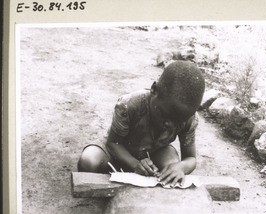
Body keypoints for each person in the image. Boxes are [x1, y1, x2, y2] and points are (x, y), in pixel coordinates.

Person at [77, 60, 205, 187]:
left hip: (153, 153)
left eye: (178, 121)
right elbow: (113, 144)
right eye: (164, 115)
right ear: (154, 90)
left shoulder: (189, 118)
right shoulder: (129, 105)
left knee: (172, 165)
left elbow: (191, 159)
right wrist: (135, 164)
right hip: (117, 151)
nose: (170, 125)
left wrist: (181, 167)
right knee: (89, 160)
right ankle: (114, 176)